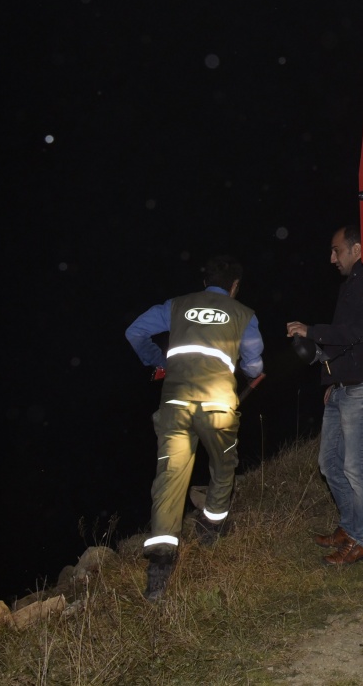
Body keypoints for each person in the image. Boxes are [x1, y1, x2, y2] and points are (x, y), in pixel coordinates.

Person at [125, 255, 265, 600]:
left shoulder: (177, 305)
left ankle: (159, 567)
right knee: (224, 464)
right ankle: (211, 527)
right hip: (218, 403)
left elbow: (135, 331)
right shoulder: (243, 313)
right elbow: (254, 359)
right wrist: (249, 369)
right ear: (234, 286)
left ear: (205, 283)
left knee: (170, 476)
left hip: (175, 403)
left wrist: (159, 361)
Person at [286, 225, 363, 566]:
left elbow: (356, 333)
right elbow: (342, 346)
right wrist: (331, 378)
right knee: (330, 464)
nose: (331, 258)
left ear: (358, 249)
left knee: (357, 468)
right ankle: (349, 527)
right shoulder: (350, 285)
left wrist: (312, 330)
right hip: (343, 388)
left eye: (337, 250)